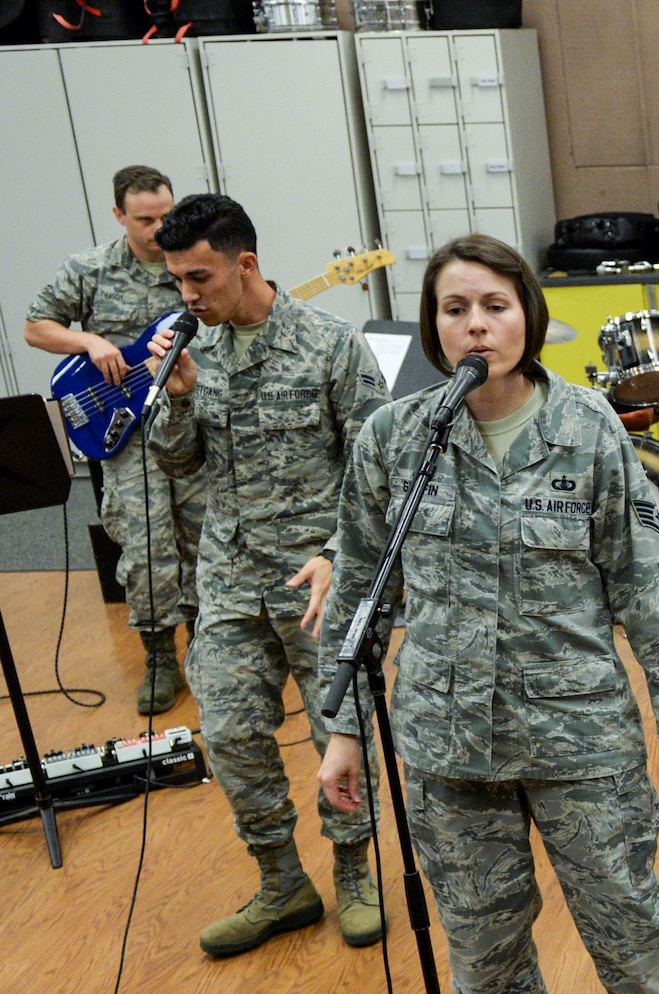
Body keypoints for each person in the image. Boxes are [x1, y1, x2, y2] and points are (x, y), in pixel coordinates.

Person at [316, 234, 659, 994]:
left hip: (580, 743)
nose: (476, 326)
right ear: (432, 326)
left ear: (526, 318)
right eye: (455, 309)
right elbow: (360, 591)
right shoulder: (394, 439)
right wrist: (343, 735)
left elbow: (649, 587)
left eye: (495, 307)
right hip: (447, 749)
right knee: (485, 964)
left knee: (637, 942)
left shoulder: (588, 427)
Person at [146, 193, 389, 956]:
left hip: (318, 580)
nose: (187, 296)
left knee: (338, 734)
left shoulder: (330, 346)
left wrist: (341, 556)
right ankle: (281, 882)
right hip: (228, 580)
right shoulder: (194, 348)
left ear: (244, 264)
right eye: (177, 281)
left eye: (199, 278)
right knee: (228, 734)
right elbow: (178, 461)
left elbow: (377, 472)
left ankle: (354, 870)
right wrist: (178, 402)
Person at [23, 165, 208, 714]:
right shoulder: (92, 269)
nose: (158, 228)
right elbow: (37, 326)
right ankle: (159, 658)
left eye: (166, 216)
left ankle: (208, 647)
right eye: (145, 219)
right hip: (124, 432)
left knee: (202, 536)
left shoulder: (192, 265)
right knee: (147, 546)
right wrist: (88, 341)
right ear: (119, 216)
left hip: (187, 417)